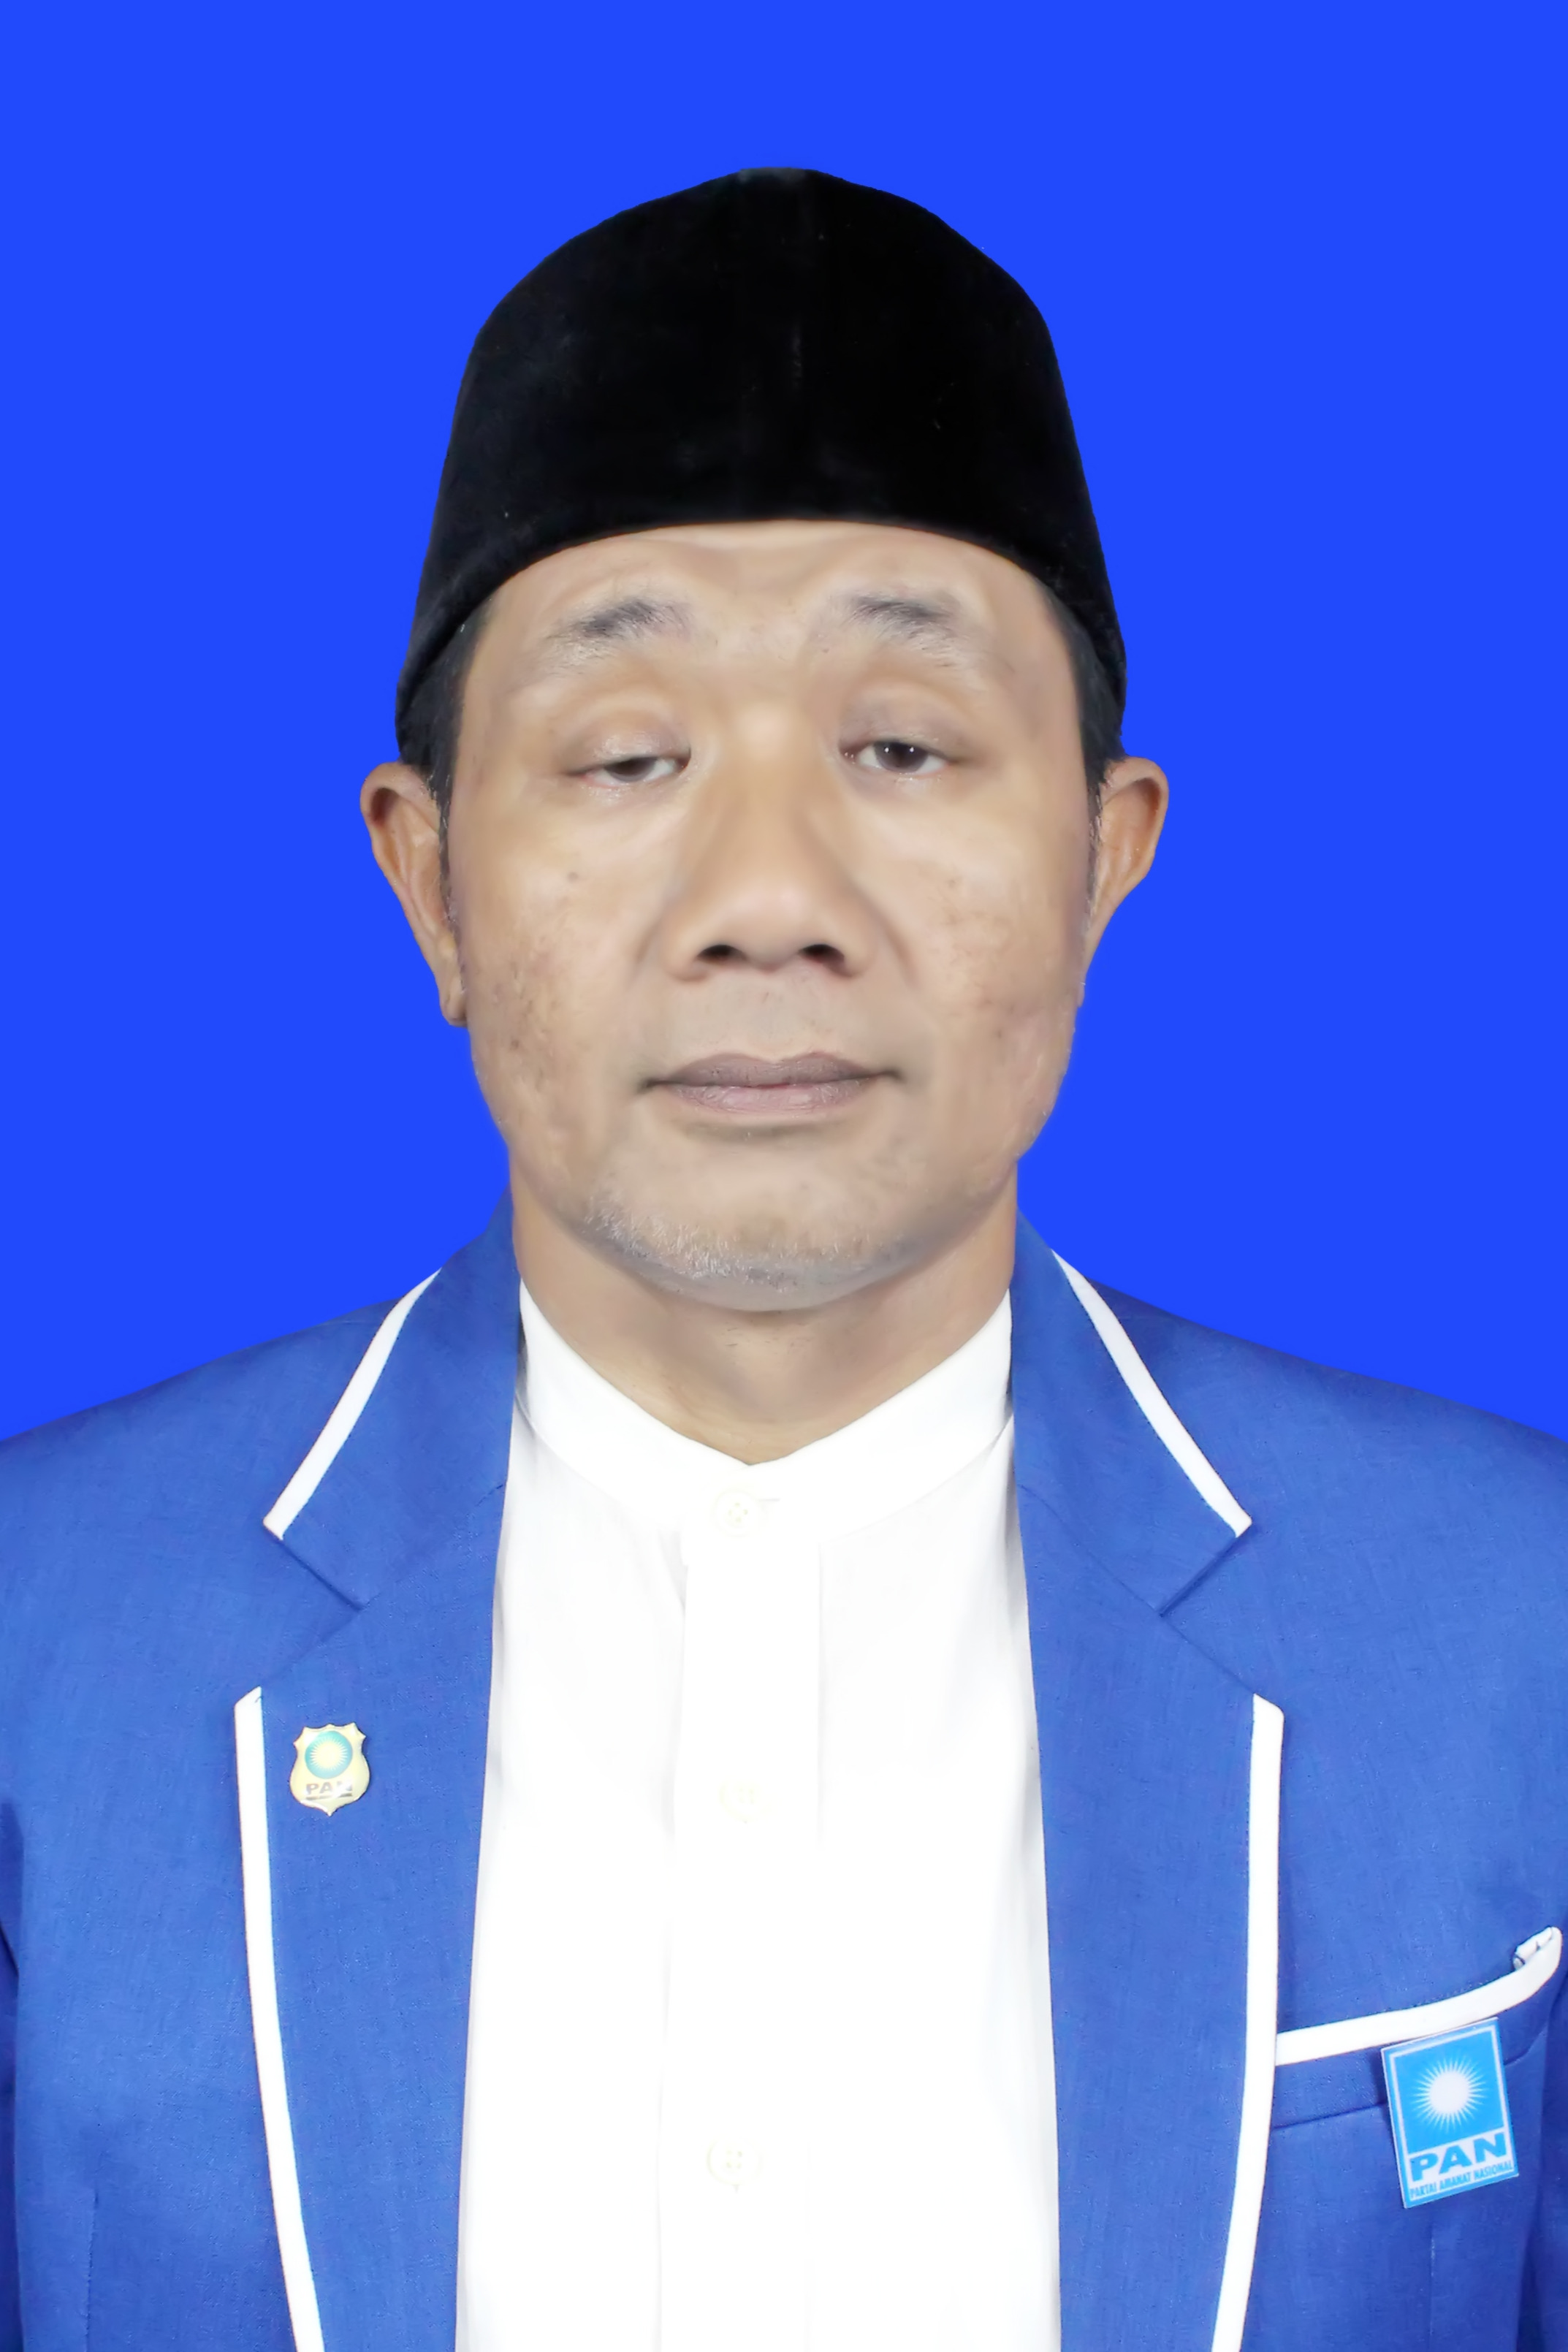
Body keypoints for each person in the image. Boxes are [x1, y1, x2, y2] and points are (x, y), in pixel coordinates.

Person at [1, 167, 1566, 2352]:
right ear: (430, 881)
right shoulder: (41, 1633)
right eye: (628, 756)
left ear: (1100, 855)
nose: (767, 898)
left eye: (901, 747)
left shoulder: (1514, 1625)